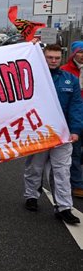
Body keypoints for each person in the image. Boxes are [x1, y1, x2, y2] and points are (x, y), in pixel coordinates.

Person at [23, 44, 81, 225]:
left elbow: (76, 107)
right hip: (38, 132)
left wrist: (75, 130)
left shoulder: (70, 80)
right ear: (43, 57)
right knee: (35, 167)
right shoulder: (32, 78)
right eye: (50, 57)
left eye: (56, 58)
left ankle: (63, 207)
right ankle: (31, 196)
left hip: (62, 134)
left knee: (62, 171)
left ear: (62, 57)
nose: (54, 61)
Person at [60, 40, 83, 198]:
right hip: (74, 117)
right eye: (80, 52)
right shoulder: (65, 71)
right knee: (74, 152)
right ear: (74, 53)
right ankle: (77, 184)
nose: (82, 56)